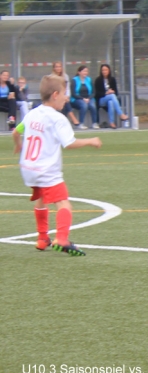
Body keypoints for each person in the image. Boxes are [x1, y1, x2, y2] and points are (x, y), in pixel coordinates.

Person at [13, 74, 102, 256]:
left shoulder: (32, 113)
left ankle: (42, 237)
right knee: (64, 204)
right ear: (55, 94)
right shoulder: (58, 118)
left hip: (28, 168)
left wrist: (18, 144)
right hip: (46, 170)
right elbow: (69, 143)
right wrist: (90, 140)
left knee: (42, 198)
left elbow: (16, 131)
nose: (66, 98)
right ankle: (62, 238)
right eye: (64, 94)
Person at [94, 64, 129, 129]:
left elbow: (116, 91)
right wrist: (106, 93)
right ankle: (121, 114)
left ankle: (112, 123)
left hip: (110, 99)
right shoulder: (98, 80)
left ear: (109, 71)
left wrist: (112, 92)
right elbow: (97, 93)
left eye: (106, 70)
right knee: (112, 96)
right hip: (101, 100)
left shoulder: (112, 79)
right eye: (103, 70)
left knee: (111, 102)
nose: (104, 71)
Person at [70, 65, 99, 129]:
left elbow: (94, 92)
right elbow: (73, 94)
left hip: (88, 98)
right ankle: (81, 123)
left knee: (93, 106)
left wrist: (89, 98)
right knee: (84, 105)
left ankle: (94, 123)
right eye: (84, 71)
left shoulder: (89, 79)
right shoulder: (74, 80)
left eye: (86, 71)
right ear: (79, 72)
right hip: (77, 99)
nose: (85, 73)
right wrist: (83, 99)